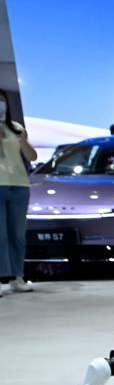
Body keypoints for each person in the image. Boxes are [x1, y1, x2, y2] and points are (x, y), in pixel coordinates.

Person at [0, 88, 37, 297]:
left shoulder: (16, 128)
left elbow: (31, 156)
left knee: (17, 233)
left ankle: (17, 277)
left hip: (19, 185)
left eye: (2, 101)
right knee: (0, 235)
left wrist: (22, 140)